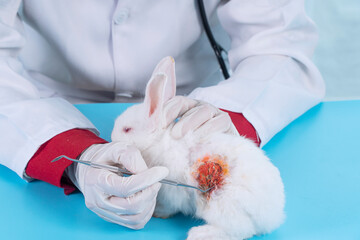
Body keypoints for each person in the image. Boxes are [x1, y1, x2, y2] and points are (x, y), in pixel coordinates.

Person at [0, 0, 324, 230]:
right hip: (46, 101)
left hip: (192, 102)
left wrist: (221, 118)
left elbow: (281, 44)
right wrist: (71, 150)